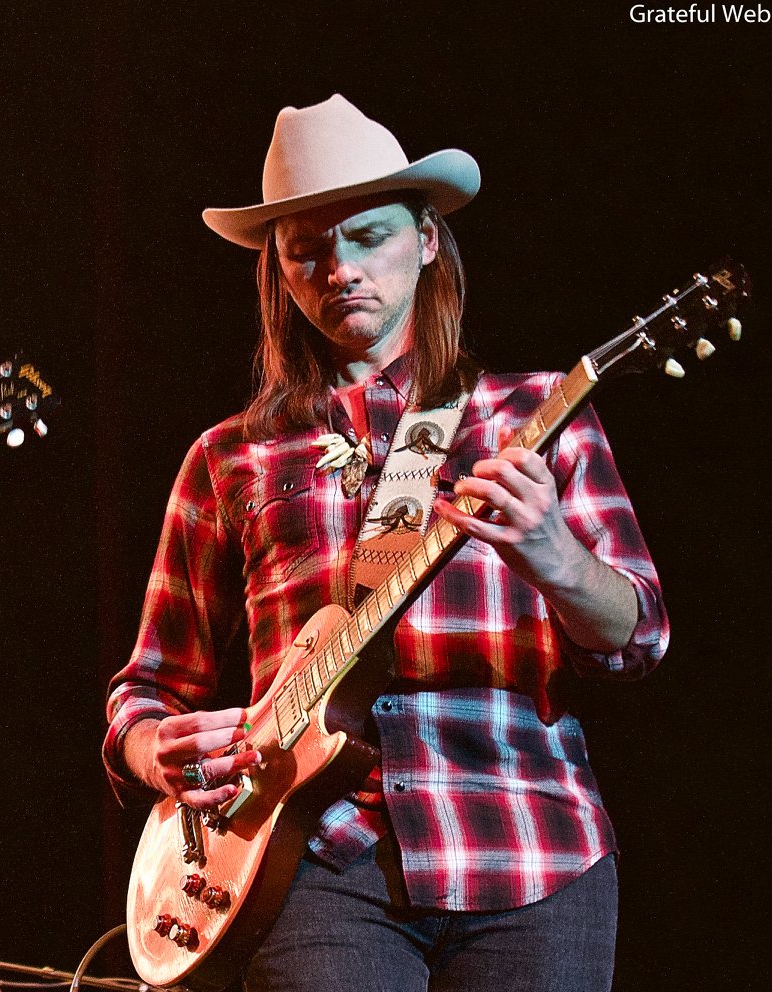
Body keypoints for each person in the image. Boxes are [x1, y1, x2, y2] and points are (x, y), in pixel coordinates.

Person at [104, 95, 667, 991]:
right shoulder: (227, 457)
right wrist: (153, 751)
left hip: (529, 845)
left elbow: (636, 637)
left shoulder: (533, 415)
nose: (341, 270)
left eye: (367, 237)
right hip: (317, 863)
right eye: (307, 252)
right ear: (277, 274)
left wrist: (554, 556)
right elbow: (144, 689)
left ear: (428, 239)